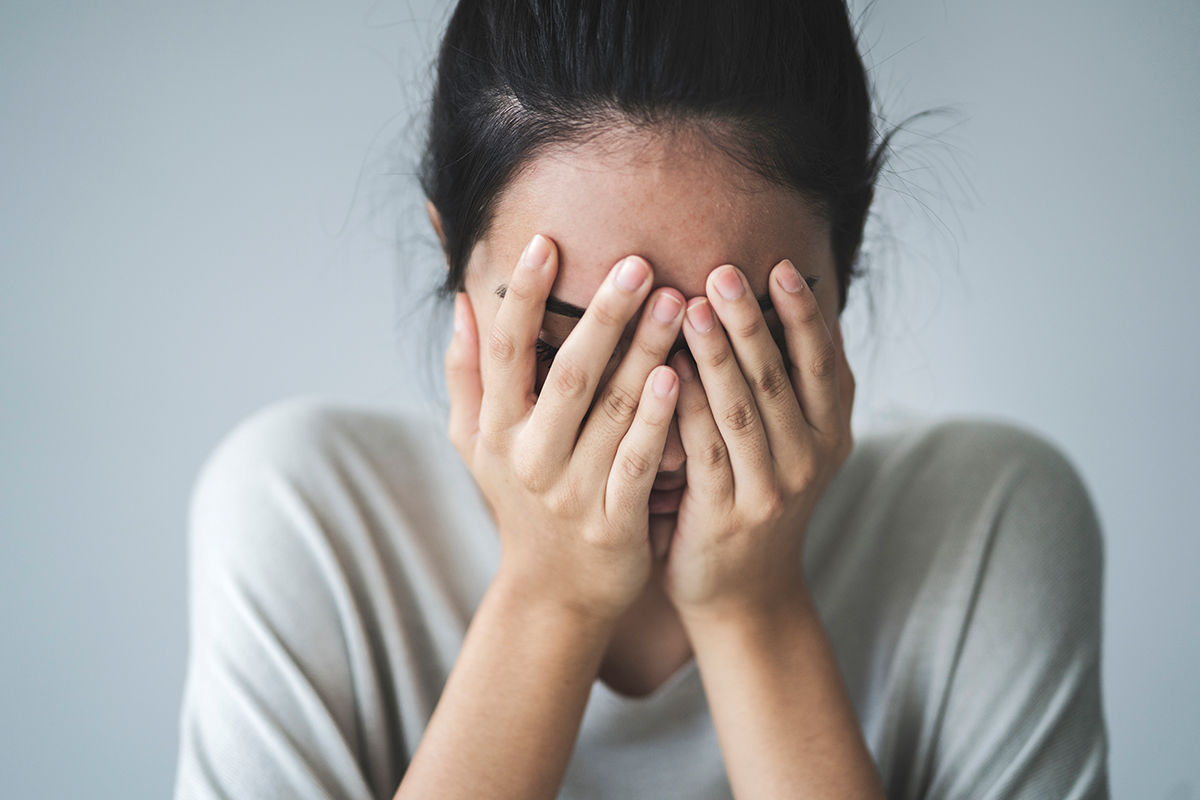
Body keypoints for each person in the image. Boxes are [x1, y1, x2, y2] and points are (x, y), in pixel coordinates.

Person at [172, 1, 1109, 798]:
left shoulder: (990, 522)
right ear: (453, 259)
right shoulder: (307, 519)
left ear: (845, 266)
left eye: (741, 345)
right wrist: (549, 598)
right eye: (571, 345)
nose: (659, 441)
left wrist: (757, 611)